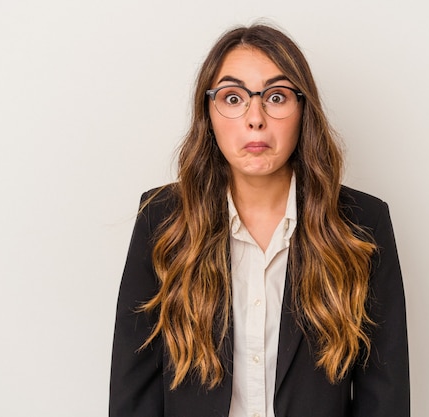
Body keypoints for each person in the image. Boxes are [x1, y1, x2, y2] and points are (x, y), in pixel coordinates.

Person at [109, 24, 409, 417]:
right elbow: (133, 394)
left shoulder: (361, 225)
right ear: (208, 113)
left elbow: (384, 398)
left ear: (303, 109)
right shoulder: (163, 220)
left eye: (276, 97)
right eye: (233, 98)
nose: (255, 118)